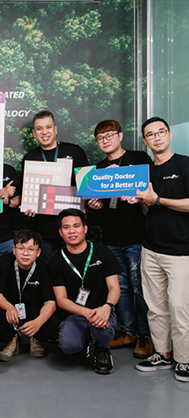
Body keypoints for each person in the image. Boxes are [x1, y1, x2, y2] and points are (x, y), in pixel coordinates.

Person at [88, 119, 153, 357]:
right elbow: (99, 212)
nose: (105, 141)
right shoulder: (97, 169)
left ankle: (145, 335)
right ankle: (127, 332)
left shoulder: (139, 160)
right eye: (100, 138)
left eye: (109, 135)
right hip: (111, 238)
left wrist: (132, 188)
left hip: (136, 236)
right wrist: (95, 207)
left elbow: (150, 193)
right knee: (121, 288)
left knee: (139, 287)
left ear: (120, 135)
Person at [134, 117, 189, 380]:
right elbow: (149, 210)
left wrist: (158, 199)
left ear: (169, 135)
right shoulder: (146, 172)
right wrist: (143, 201)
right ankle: (163, 353)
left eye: (161, 132)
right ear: (145, 141)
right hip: (151, 249)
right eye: (150, 134)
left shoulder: (185, 164)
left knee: (179, 306)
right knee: (156, 307)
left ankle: (184, 360)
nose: (156, 138)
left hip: (181, 251)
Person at [49, 209, 121, 374]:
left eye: (76, 226)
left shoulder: (102, 252)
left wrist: (107, 307)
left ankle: (102, 350)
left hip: (102, 311)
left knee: (103, 329)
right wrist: (86, 312)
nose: (72, 231)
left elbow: (114, 287)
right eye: (66, 227)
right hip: (76, 314)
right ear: (60, 232)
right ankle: (83, 343)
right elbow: (61, 299)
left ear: (85, 228)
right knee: (68, 345)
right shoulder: (57, 261)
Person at [22, 111, 92, 255]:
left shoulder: (75, 151)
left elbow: (88, 187)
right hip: (43, 231)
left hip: (72, 230)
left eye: (48, 127)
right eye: (39, 128)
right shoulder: (29, 158)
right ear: (34, 133)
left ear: (55, 129)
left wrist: (83, 204)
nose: (44, 132)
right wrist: (28, 207)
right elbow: (27, 194)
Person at [0, 232, 57, 364]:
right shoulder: (5, 261)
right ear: (14, 250)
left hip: (33, 310)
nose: (25, 253)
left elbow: (50, 303)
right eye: (21, 248)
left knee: (53, 318)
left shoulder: (43, 267)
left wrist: (38, 322)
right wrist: (8, 307)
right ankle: (11, 340)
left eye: (31, 249)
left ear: (38, 252)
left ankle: (37, 339)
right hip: (11, 309)